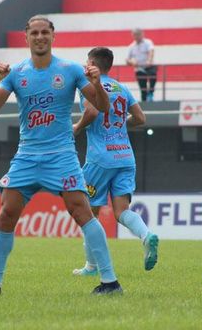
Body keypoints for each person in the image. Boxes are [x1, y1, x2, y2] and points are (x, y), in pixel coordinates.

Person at [0, 15, 122, 296]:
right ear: (27, 37)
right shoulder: (17, 73)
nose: (40, 37)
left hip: (61, 156)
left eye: (45, 32)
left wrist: (98, 83)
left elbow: (102, 107)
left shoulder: (70, 70)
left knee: (81, 211)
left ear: (53, 36)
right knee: (7, 213)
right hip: (27, 156)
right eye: (35, 33)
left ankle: (110, 281)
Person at [71, 47, 159, 277]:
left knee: (89, 213)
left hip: (100, 158)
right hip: (125, 156)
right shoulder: (122, 87)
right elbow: (140, 118)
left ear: (92, 63)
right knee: (121, 211)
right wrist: (119, 125)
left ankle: (91, 266)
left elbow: (90, 112)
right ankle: (146, 235)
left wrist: (77, 128)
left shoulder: (88, 85)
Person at [126, 28, 156, 102]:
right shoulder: (131, 46)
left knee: (153, 77)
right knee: (143, 87)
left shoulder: (148, 42)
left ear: (142, 34)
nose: (136, 36)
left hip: (149, 66)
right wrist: (132, 62)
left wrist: (149, 60)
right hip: (139, 68)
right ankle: (144, 101)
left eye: (138, 34)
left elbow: (151, 51)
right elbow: (127, 60)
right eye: (134, 35)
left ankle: (151, 93)